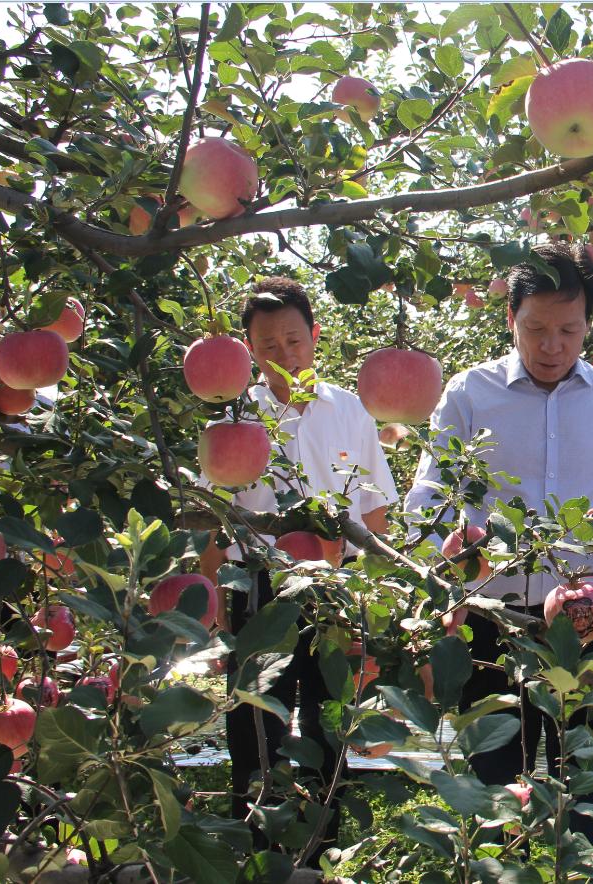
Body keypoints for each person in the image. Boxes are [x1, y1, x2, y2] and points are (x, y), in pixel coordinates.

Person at [404, 241, 593, 826]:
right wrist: (451, 545)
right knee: (493, 779)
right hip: (494, 614)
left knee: (584, 772)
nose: (551, 345)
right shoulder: (469, 393)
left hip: (588, 616)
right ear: (510, 319)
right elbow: (428, 498)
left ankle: (584, 861)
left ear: (589, 323)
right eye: (535, 328)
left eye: (569, 329)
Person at [200, 277, 398, 859]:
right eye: (268, 346)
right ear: (248, 350)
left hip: (336, 586)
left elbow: (375, 509)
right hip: (260, 587)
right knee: (254, 719)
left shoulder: (351, 410)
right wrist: (207, 600)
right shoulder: (236, 418)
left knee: (326, 718)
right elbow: (217, 513)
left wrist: (378, 594)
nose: (285, 355)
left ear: (314, 335)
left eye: (294, 339)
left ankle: (319, 850)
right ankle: (254, 844)